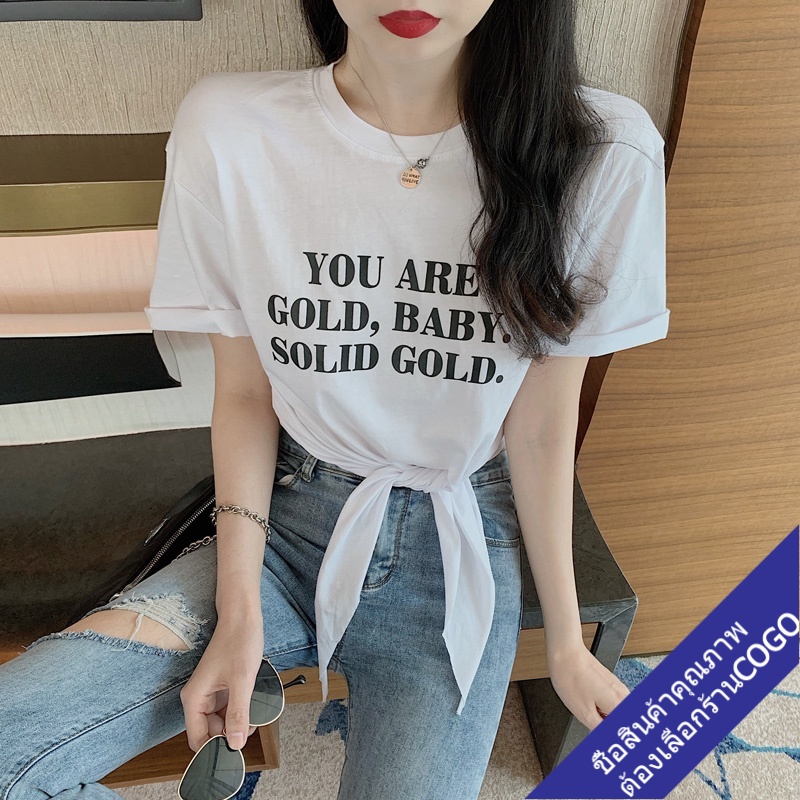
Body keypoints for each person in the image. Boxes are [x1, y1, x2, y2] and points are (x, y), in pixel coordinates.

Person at [0, 1, 669, 798]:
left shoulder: (602, 151)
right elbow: (244, 394)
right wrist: (238, 607)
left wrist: (563, 639)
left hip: (459, 549)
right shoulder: (232, 129)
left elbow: (542, 428)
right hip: (285, 526)